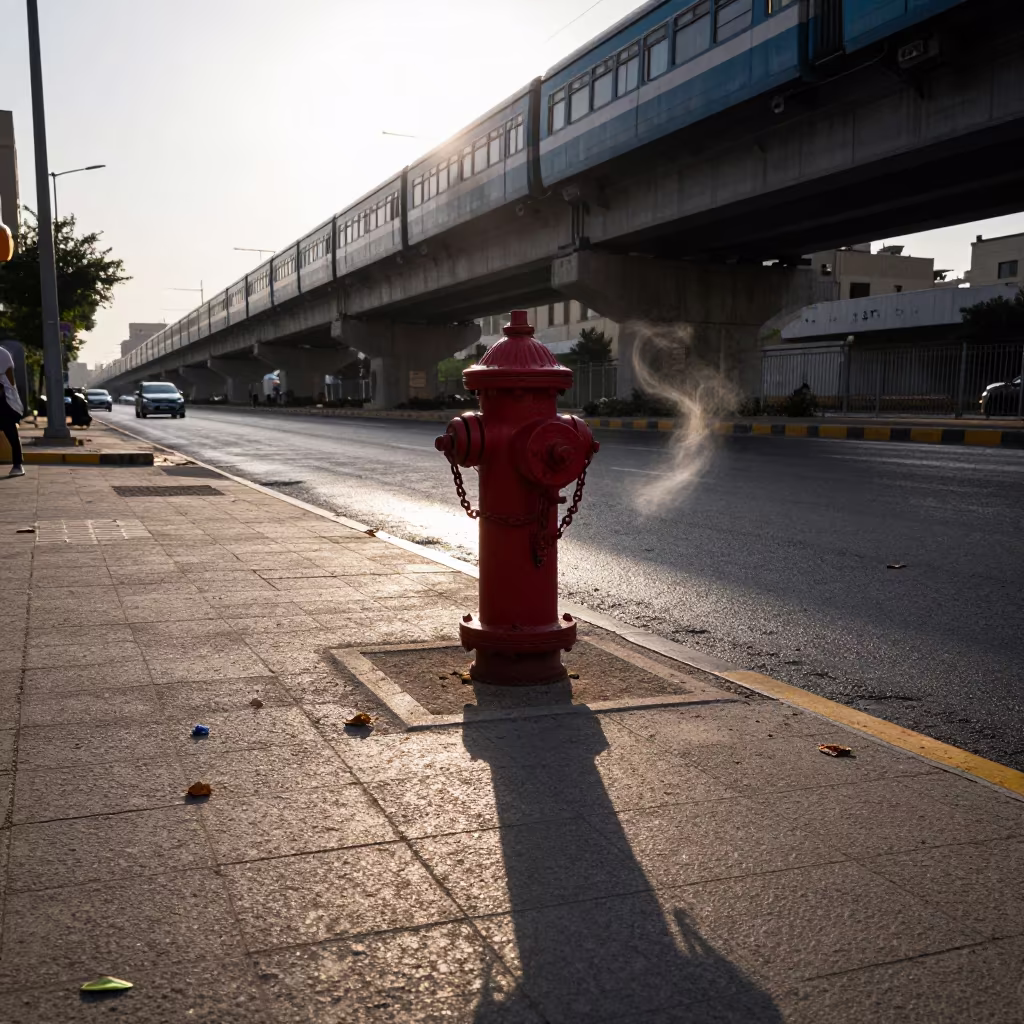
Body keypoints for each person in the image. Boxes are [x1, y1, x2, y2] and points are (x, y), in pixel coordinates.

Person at [0, 345, 25, 477]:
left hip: (5, 402)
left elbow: (5, 383)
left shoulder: (2, 354)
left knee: (10, 432)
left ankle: (17, 464)